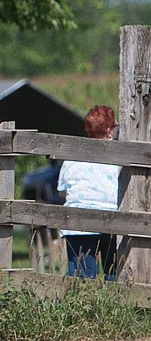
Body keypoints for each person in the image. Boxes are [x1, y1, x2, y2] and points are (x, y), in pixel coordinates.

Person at [57, 105, 120, 280]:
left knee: (82, 279)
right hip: (112, 221)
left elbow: (62, 191)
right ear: (109, 130)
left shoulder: (74, 155)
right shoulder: (120, 156)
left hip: (78, 223)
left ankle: (84, 306)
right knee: (113, 275)